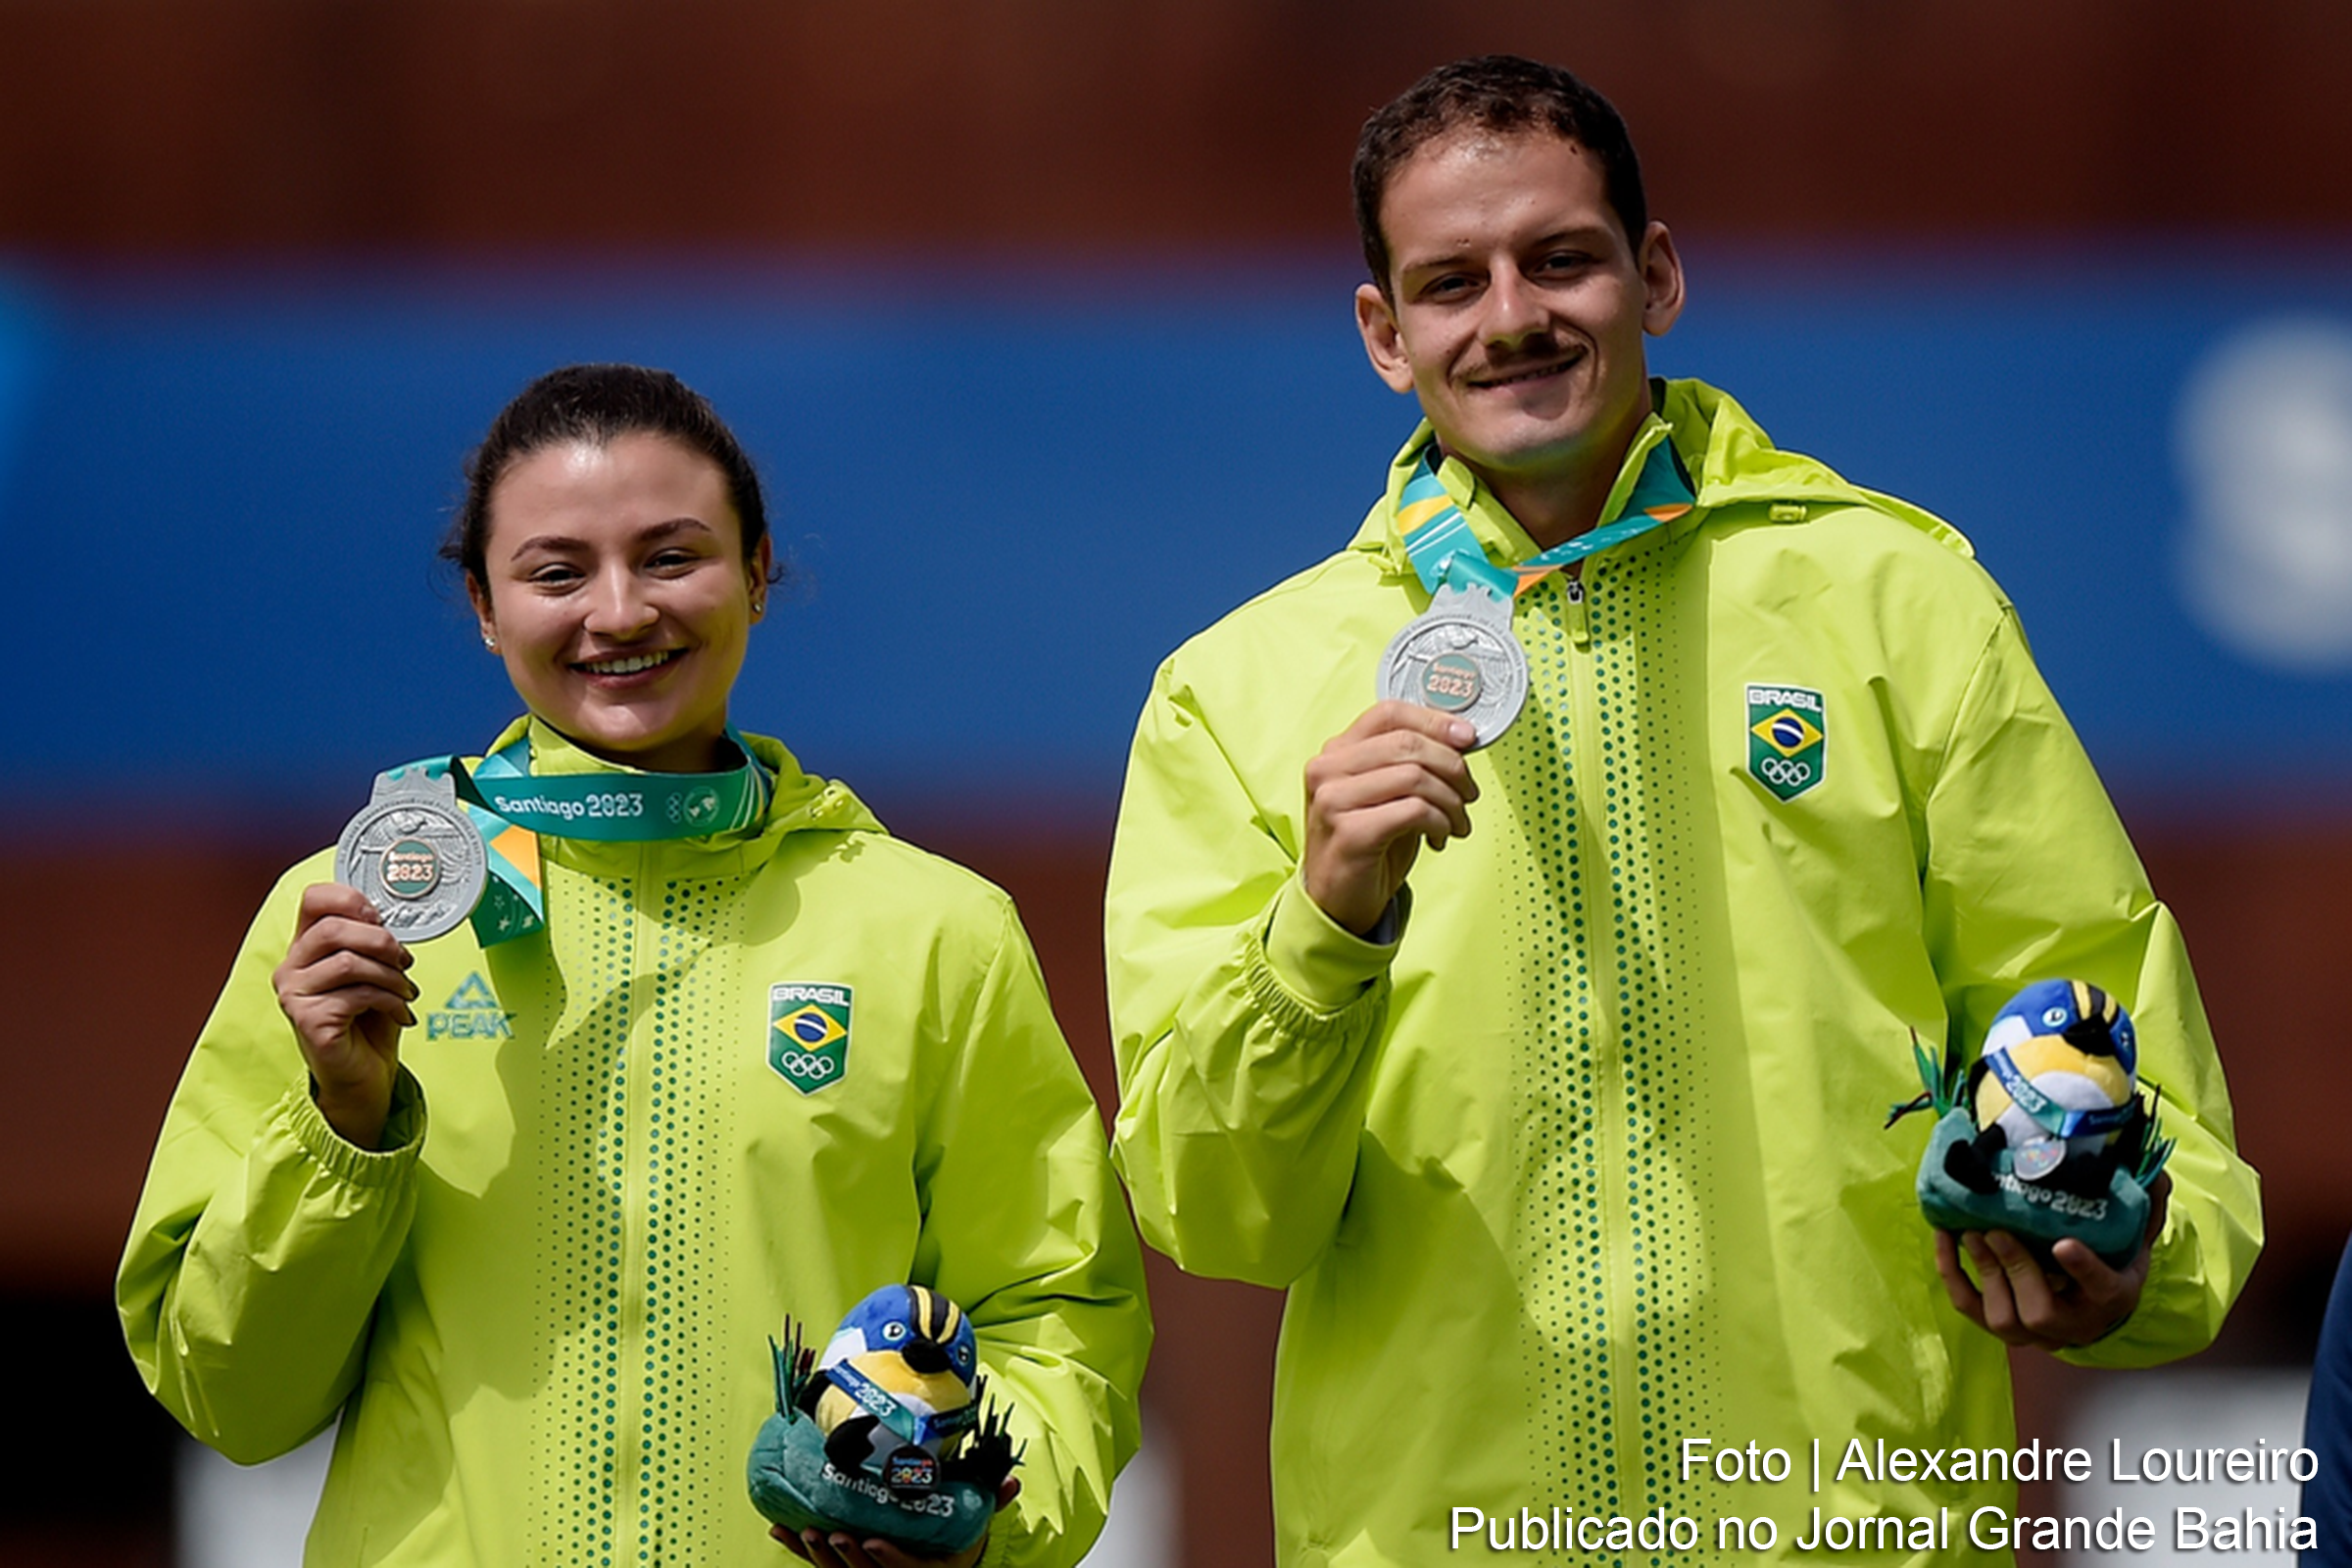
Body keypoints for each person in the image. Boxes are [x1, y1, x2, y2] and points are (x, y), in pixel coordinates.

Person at [1103, 55, 2261, 1565]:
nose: (1512, 315)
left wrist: (2131, 1259)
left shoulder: (1896, 608)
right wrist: (1324, 924)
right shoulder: (1240, 693)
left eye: (1561, 259)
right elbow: (1216, 1212)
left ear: (1655, 275)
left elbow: (2120, 1058)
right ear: (1386, 335)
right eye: (1451, 281)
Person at [120, 364, 1151, 1568]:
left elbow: (1056, 1322)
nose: (618, 613)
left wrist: (970, 1523)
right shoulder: (354, 924)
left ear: (759, 572)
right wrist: (342, 1125)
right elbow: (230, 1393)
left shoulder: (932, 932)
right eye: (557, 571)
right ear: (486, 605)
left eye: (671, 557)